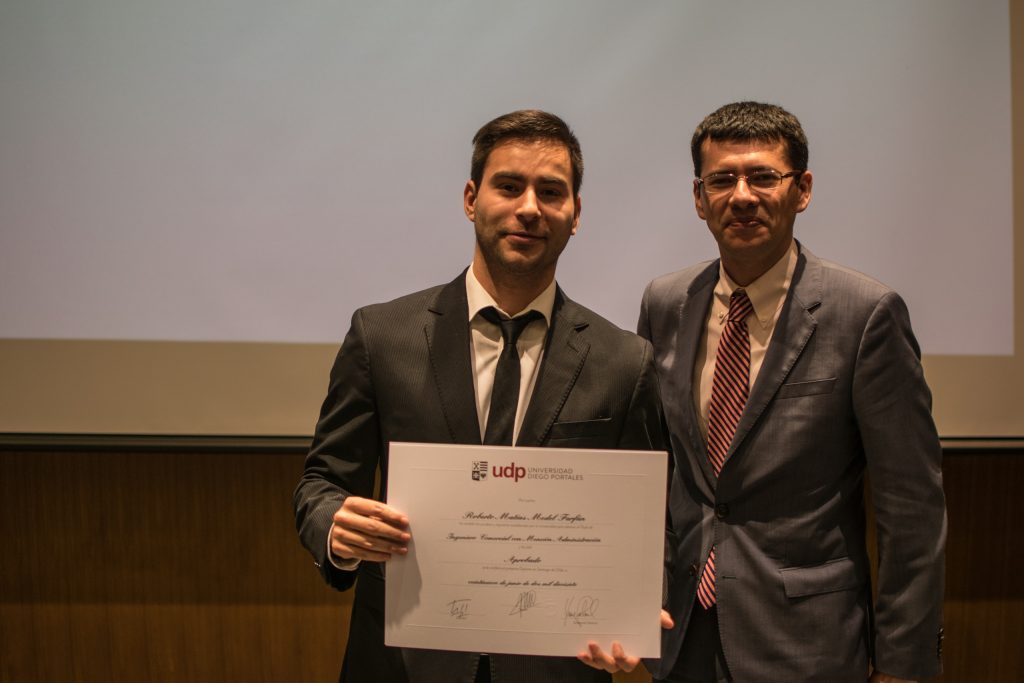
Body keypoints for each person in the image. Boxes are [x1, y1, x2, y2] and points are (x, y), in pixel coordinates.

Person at [293, 109, 664, 683]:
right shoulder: (382, 337)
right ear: (471, 199)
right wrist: (335, 526)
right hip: (403, 662)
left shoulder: (624, 361)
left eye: (551, 192)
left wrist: (633, 612)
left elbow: (647, 522)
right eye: (509, 186)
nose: (529, 208)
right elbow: (320, 483)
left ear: (576, 213)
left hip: (557, 667)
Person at [637, 102, 946, 682]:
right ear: (700, 198)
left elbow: (911, 507)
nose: (742, 196)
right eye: (722, 180)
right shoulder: (665, 303)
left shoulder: (866, 314)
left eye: (763, 177)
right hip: (681, 638)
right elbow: (657, 471)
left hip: (809, 646)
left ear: (802, 190)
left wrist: (904, 664)